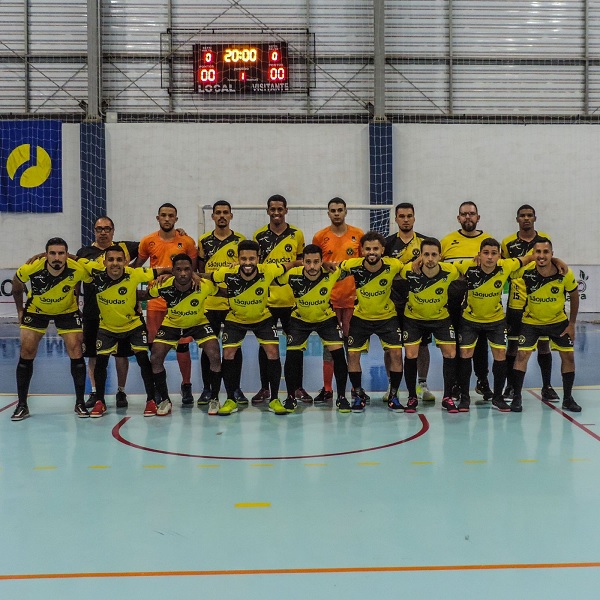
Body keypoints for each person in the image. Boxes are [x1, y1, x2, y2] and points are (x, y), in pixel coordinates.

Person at [205, 240, 300, 415]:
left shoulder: (269, 270)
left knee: (273, 352)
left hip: (262, 318)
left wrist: (303, 262)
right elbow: (210, 278)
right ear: (238, 258)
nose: (247, 263)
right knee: (228, 354)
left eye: (251, 258)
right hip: (235, 318)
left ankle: (274, 399)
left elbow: (289, 264)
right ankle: (230, 400)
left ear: (258, 258)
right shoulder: (226, 272)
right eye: (243, 259)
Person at [79, 245, 168, 417]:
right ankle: (100, 401)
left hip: (133, 325)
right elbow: (71, 260)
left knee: (143, 359)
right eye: (111, 259)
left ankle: (151, 400)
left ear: (126, 262)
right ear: (104, 262)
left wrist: (182, 274)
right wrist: (43, 255)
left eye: (119, 260)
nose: (115, 263)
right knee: (100, 362)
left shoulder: (133, 274)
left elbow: (166, 270)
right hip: (107, 327)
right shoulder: (95, 273)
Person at [10, 238, 92, 421]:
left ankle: (80, 403)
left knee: (76, 349)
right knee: (27, 350)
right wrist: (20, 310)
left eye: (61, 253)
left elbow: (91, 278)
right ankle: (22, 405)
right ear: (46, 254)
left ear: (67, 255)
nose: (57, 257)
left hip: (67, 310)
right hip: (36, 310)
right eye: (52, 253)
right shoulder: (33, 267)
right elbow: (16, 283)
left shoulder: (77, 268)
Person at [455, 238, 538, 413]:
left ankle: (498, 397)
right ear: (479, 255)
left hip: (496, 320)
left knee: (500, 354)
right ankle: (464, 398)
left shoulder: (506, 266)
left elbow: (529, 258)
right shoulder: (467, 266)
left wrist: (557, 260)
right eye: (486, 253)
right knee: (465, 354)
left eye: (494, 253)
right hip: (470, 320)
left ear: (499, 255)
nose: (490, 257)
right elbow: (442, 265)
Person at [135, 203, 198, 404]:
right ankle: (158, 389)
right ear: (158, 218)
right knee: (156, 349)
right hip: (155, 301)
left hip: (180, 302)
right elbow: (137, 267)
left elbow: (193, 271)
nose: (167, 219)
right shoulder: (148, 241)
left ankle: (186, 385)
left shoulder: (187, 241)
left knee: (182, 347)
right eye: (164, 215)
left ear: (176, 219)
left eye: (171, 215)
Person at [509, 238, 580, 413]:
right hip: (531, 322)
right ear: (533, 254)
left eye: (546, 252)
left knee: (568, 357)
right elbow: (505, 269)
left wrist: (571, 324)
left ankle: (568, 398)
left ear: (552, 254)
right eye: (538, 252)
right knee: (522, 355)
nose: (541, 256)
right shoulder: (525, 272)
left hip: (558, 322)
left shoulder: (564, 273)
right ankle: (517, 398)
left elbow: (575, 294)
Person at [277, 244, 350, 412]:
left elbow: (355, 267)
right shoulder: (292, 275)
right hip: (299, 319)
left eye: (316, 262)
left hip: (326, 318)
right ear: (302, 262)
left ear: (322, 261)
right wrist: (293, 264)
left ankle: (341, 397)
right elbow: (270, 276)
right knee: (292, 356)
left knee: (339, 355)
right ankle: (290, 397)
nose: (312, 266)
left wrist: (329, 264)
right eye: (308, 262)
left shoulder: (331, 273)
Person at [148, 254, 222, 416]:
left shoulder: (204, 285)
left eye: (187, 269)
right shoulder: (163, 284)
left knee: (215, 354)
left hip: (198, 322)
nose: (183, 273)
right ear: (172, 271)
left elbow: (222, 292)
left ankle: (214, 398)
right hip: (172, 323)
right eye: (178, 270)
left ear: (192, 271)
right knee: (155, 357)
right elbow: (146, 294)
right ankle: (165, 400)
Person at [77, 216, 138, 409]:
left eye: (107, 229)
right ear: (94, 231)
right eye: (99, 229)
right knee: (94, 355)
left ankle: (121, 391)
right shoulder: (84, 252)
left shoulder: (124, 248)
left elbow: (150, 244)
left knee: (121, 355)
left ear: (113, 231)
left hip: (120, 313)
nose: (103, 232)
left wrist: (178, 232)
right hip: (93, 312)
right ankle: (95, 392)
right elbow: (76, 281)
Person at [339, 232, 404, 413]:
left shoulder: (394, 265)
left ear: (383, 250)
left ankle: (393, 395)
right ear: (362, 250)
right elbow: (334, 269)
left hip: (387, 317)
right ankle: (359, 394)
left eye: (375, 248)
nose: (372, 252)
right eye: (368, 249)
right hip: (361, 317)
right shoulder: (352, 265)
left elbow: (411, 270)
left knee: (397, 355)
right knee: (352, 356)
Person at [252, 195, 306, 405]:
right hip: (267, 302)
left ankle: (297, 388)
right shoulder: (259, 236)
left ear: (286, 210)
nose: (276, 213)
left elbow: (301, 263)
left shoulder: (296, 234)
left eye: (280, 209)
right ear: (268, 211)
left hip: (292, 301)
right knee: (265, 347)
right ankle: (265, 388)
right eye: (272, 209)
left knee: (296, 346)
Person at [501, 204, 558, 401]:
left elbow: (552, 261)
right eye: (522, 216)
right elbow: (505, 269)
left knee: (544, 345)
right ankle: (511, 386)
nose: (526, 218)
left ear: (535, 218)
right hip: (517, 302)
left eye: (529, 215)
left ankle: (547, 386)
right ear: (517, 219)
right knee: (513, 346)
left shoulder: (544, 240)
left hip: (539, 303)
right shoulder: (507, 243)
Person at [440, 201, 494, 401]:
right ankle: (455, 384)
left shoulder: (488, 241)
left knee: (479, 344)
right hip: (452, 304)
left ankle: (482, 380)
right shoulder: (447, 242)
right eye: (464, 214)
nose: (468, 217)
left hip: (478, 304)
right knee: (454, 345)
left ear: (478, 217)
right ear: (458, 218)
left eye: (471, 214)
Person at [312, 197, 363, 403]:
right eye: (332, 210)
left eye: (340, 210)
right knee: (330, 346)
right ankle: (327, 389)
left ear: (345, 211)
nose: (336, 213)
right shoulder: (320, 237)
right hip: (329, 300)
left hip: (352, 299)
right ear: (328, 213)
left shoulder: (358, 235)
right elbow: (314, 263)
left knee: (352, 346)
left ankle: (355, 389)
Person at [400, 238, 460, 413]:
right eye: (426, 254)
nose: (430, 258)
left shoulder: (450, 271)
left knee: (450, 352)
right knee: (411, 354)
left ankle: (447, 397)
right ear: (421, 256)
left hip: (440, 317)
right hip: (413, 318)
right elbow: (393, 267)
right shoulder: (409, 271)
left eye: (434, 254)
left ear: (440, 256)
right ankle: (412, 397)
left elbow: (467, 266)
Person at [384, 202, 435, 403]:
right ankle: (391, 384)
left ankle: (422, 384)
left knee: (422, 346)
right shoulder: (387, 244)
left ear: (414, 218)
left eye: (409, 216)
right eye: (402, 216)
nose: (406, 219)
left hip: (419, 302)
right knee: (391, 347)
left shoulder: (425, 243)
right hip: (393, 303)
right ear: (395, 219)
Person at [197, 201, 246, 407]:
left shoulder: (240, 241)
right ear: (213, 217)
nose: (222, 216)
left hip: (232, 304)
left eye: (226, 212)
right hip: (209, 304)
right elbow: (199, 273)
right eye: (218, 213)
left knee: (233, 348)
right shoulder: (204, 241)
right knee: (209, 348)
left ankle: (234, 388)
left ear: (231, 216)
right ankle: (208, 389)